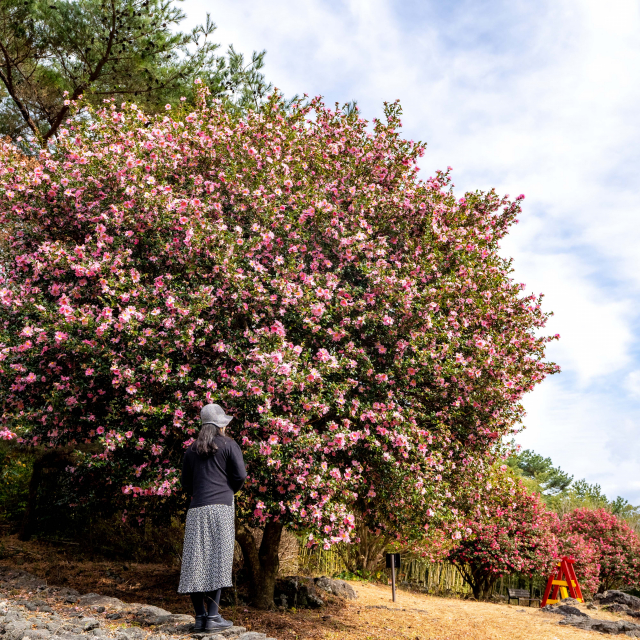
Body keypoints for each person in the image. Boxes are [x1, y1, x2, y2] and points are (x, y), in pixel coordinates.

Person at [178, 403, 247, 632]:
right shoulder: (229, 445)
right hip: (222, 508)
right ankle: (214, 617)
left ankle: (200, 617)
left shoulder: (191, 449)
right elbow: (240, 476)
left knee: (195, 561)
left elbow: (186, 483)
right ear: (220, 425)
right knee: (219, 559)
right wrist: (229, 489)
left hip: (197, 509)